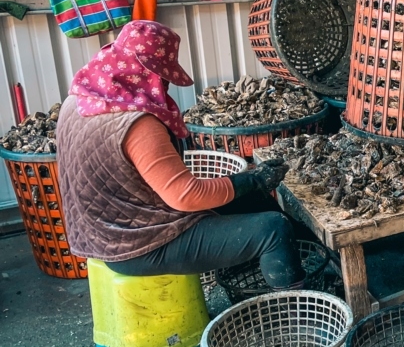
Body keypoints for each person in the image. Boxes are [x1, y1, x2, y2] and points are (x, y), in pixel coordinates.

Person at [57, 20, 304, 288]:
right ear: (148, 74)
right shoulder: (138, 123)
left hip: (104, 232)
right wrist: (254, 180)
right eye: (163, 78)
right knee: (274, 229)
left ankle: (254, 261)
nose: (165, 86)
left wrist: (250, 188)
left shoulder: (77, 100)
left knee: (250, 201)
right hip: (140, 244)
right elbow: (186, 196)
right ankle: (297, 314)